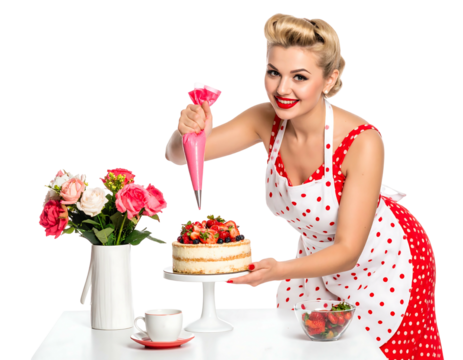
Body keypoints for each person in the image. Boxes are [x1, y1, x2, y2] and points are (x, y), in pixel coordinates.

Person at [164, 11, 444, 360]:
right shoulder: (264, 119)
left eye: (300, 77)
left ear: (330, 79)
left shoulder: (363, 141)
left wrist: (280, 269)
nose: (282, 89)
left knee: (373, 352)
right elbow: (179, 156)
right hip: (316, 259)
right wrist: (188, 130)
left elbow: (348, 251)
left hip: (383, 262)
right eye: (273, 72)